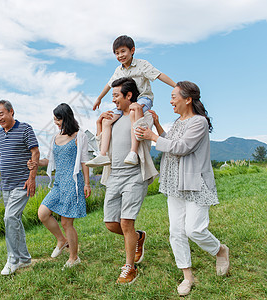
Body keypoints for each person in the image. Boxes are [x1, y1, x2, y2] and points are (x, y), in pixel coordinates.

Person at [135, 81, 230, 296]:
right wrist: (158, 127)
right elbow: (170, 141)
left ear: (187, 99)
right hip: (174, 183)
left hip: (195, 183)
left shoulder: (199, 122)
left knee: (194, 229)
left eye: (173, 96)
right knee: (176, 231)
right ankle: (188, 276)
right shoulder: (179, 121)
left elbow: (182, 147)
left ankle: (220, 250)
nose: (170, 101)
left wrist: (153, 136)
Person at [98, 77, 156, 285]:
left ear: (128, 95)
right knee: (111, 223)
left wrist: (136, 112)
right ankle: (139, 237)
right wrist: (100, 123)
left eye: (116, 95)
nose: (112, 100)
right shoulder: (112, 118)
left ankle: (129, 268)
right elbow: (101, 146)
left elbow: (141, 134)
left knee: (126, 222)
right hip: (115, 176)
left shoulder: (143, 114)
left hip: (134, 175)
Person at [87, 35, 176, 167]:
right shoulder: (118, 70)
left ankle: (133, 152)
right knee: (107, 120)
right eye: (117, 53)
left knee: (134, 110)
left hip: (142, 99)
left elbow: (159, 75)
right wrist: (99, 98)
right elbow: (109, 84)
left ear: (132, 50)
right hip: (124, 102)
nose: (120, 55)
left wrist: (176, 86)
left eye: (123, 51)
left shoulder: (142, 65)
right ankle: (103, 155)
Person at [28, 103, 91, 270]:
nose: (55, 122)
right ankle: (62, 240)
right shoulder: (55, 138)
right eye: (55, 119)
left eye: (58, 119)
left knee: (66, 223)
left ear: (66, 118)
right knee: (43, 213)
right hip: (58, 183)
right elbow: (49, 160)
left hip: (73, 183)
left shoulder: (80, 136)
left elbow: (84, 161)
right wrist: (35, 163)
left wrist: (87, 183)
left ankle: (73, 257)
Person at [0, 100, 40, 276]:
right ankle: (25, 258)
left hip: (22, 182)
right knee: (14, 219)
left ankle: (13, 259)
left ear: (11, 112)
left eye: (1, 114)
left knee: (9, 217)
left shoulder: (25, 128)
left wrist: (32, 178)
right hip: (7, 184)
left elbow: (35, 152)